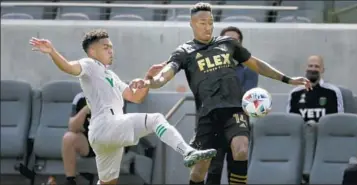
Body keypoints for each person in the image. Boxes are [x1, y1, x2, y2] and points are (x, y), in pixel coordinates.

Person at [130, 2, 312, 184]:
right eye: (202, 22)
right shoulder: (183, 52)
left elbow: (257, 64)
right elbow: (165, 75)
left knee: (241, 149)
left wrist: (287, 79)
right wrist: (148, 82)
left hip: (234, 110)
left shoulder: (228, 43)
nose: (207, 27)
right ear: (192, 24)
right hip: (207, 116)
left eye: (210, 22)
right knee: (199, 172)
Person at [29, 29, 217, 185]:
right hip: (107, 126)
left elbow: (135, 97)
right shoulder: (89, 64)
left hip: (105, 134)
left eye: (111, 46)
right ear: (92, 52)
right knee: (156, 119)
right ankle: (188, 152)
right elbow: (69, 67)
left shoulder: (110, 75)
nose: (111, 50)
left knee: (108, 183)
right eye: (106, 47)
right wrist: (52, 51)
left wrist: (148, 78)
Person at [205, 26, 259, 185]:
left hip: (238, 121)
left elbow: (247, 97)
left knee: (237, 166)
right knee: (213, 168)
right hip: (214, 122)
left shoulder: (250, 68)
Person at [287, 55, 344, 123]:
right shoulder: (295, 93)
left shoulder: (333, 92)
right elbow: (290, 123)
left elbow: (339, 121)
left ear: (322, 70)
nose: (313, 69)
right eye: (310, 66)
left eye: (317, 66)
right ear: (306, 68)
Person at [62, 92, 93, 185]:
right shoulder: (80, 98)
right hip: (89, 142)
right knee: (68, 138)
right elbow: (72, 127)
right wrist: (85, 110)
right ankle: (70, 181)